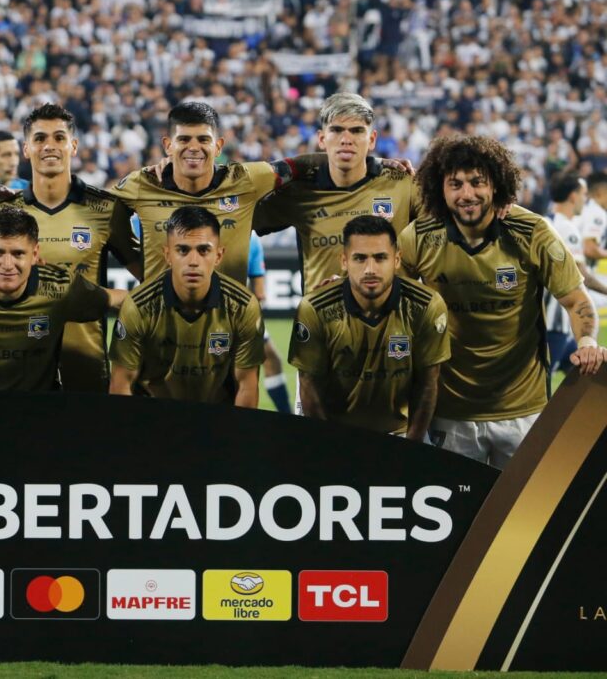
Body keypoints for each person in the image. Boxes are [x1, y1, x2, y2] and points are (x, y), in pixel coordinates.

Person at [400, 135, 607, 468]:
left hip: (523, 410)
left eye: (477, 182)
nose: (466, 194)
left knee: (524, 518)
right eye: (455, 184)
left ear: (496, 184)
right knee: (460, 517)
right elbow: (394, 304)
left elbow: (575, 300)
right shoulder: (419, 238)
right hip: (451, 412)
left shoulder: (532, 231)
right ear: (440, 189)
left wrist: (585, 340)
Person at [0, 104, 141, 392]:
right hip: (18, 368)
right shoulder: (4, 212)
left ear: (74, 146)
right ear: (26, 149)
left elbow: (147, 274)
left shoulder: (105, 209)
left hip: (86, 368)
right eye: (40, 139)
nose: (50, 146)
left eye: (59, 138)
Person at [0, 206, 125, 390]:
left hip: (38, 411)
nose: (7, 264)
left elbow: (117, 299)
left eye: (18, 254)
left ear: (35, 254)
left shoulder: (61, 287)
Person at [112, 101, 308, 284]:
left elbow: (303, 165)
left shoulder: (245, 179)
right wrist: (138, 267)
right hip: (161, 318)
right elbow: (102, 216)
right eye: (184, 139)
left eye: (203, 139)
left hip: (228, 318)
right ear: (168, 145)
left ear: (218, 146)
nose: (194, 147)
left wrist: (335, 160)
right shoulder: (142, 183)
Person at [289, 215, 450, 439]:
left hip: (400, 434)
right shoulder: (315, 309)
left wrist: (412, 448)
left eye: (380, 258)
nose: (370, 269)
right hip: (335, 434)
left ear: (397, 260)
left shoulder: (426, 306)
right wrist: (326, 444)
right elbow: (309, 387)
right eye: (360, 258)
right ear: (344, 261)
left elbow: (427, 383)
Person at [253, 92, 422, 294]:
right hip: (321, 322)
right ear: (322, 139)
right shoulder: (301, 191)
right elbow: (237, 218)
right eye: (337, 130)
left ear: (372, 139)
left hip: (392, 322)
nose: (346, 139)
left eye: (357, 131)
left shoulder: (403, 183)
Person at [109, 206, 264, 408]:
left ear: (218, 255)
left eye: (203, 250)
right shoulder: (138, 306)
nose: (193, 262)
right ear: (167, 255)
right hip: (152, 421)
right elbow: (121, 385)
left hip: (217, 421)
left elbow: (247, 386)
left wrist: (235, 436)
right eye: (182, 250)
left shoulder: (243, 306)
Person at [545, 172, 607, 373]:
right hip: (555, 320)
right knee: (541, 387)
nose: (585, 200)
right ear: (573, 196)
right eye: (583, 194)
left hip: (551, 319)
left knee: (588, 373)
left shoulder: (544, 221)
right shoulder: (567, 229)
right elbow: (581, 276)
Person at [247, 230, 292, 413]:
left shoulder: (252, 238)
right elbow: (260, 293)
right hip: (240, 315)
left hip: (236, 316)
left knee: (270, 358)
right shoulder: (252, 238)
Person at [580, 171, 607, 264]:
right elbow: (590, 249)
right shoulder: (598, 212)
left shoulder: (582, 207)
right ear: (599, 192)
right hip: (580, 272)